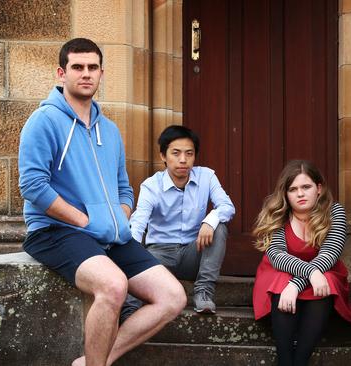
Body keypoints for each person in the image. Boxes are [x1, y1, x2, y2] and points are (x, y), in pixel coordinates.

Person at [18, 38, 186, 366]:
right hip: (54, 232)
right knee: (113, 286)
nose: (85, 74)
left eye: (92, 67)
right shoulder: (44, 121)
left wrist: (118, 220)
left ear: (101, 73)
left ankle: (94, 362)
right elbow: (33, 186)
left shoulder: (109, 131)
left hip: (107, 235)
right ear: (61, 73)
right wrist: (86, 222)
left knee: (173, 296)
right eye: (77, 67)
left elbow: (125, 190)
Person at [252, 160, 351, 366]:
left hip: (322, 273)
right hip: (280, 271)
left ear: (319, 189)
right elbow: (277, 256)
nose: (300, 194)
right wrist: (305, 276)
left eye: (306, 187)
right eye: (293, 189)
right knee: (281, 280)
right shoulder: (278, 214)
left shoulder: (335, 212)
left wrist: (297, 284)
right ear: (286, 194)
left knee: (327, 279)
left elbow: (329, 255)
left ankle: (300, 361)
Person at [123, 125, 235, 317]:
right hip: (160, 255)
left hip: (194, 252)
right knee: (134, 255)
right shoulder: (151, 186)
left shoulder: (207, 177)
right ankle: (128, 311)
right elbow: (138, 223)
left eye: (189, 154)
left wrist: (210, 220)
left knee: (219, 226)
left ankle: (204, 291)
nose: (183, 160)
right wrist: (129, 255)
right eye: (176, 153)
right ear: (163, 156)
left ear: (194, 156)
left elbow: (227, 206)